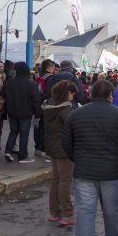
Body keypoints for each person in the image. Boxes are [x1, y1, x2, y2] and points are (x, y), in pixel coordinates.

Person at [62, 80, 118, 236]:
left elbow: (66, 143)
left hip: (84, 172)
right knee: (111, 210)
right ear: (111, 95)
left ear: (90, 94)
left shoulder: (76, 114)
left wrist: (78, 160)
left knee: (85, 213)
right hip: (111, 171)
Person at [43, 80, 78, 226]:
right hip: (64, 148)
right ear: (67, 93)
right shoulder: (66, 109)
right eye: (72, 93)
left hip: (52, 146)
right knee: (65, 181)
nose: (73, 96)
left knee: (56, 179)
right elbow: (73, 128)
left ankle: (54, 212)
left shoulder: (48, 105)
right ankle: (68, 214)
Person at [3, 62, 42, 164]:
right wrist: (38, 114)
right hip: (26, 113)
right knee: (24, 134)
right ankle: (22, 156)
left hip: (12, 112)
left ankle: (8, 151)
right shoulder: (32, 84)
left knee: (13, 131)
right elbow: (36, 101)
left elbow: (3, 95)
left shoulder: (9, 82)